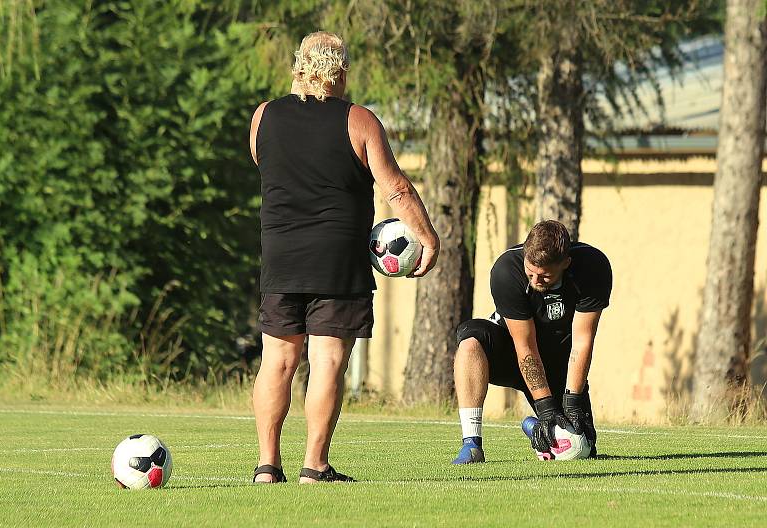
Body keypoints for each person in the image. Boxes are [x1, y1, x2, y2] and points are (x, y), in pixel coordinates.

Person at [249, 31, 439, 483]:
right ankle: (314, 466)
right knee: (328, 360)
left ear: (298, 65)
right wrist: (427, 236)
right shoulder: (360, 121)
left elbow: (264, 163)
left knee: (277, 359)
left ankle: (266, 465)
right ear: (342, 71)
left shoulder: (263, 116)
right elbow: (395, 188)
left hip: (280, 255)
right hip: (337, 257)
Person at [451, 220, 612, 463]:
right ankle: (471, 444)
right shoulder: (507, 270)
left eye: (545, 275)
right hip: (512, 352)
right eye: (530, 271)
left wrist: (573, 402)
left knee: (579, 449)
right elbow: (525, 346)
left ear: (565, 263)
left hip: (557, 360)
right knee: (470, 340)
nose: (536, 280)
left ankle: (534, 428)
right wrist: (546, 406)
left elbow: (582, 340)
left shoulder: (592, 267)